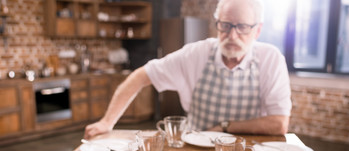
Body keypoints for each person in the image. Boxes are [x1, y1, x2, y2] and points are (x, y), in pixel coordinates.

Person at [84, 0, 291, 140]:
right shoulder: (196, 54)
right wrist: (106, 122)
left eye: (242, 27)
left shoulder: (270, 59)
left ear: (258, 30)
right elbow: (140, 76)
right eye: (225, 25)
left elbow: (279, 124)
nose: (232, 35)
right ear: (217, 24)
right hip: (195, 150)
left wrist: (225, 127)